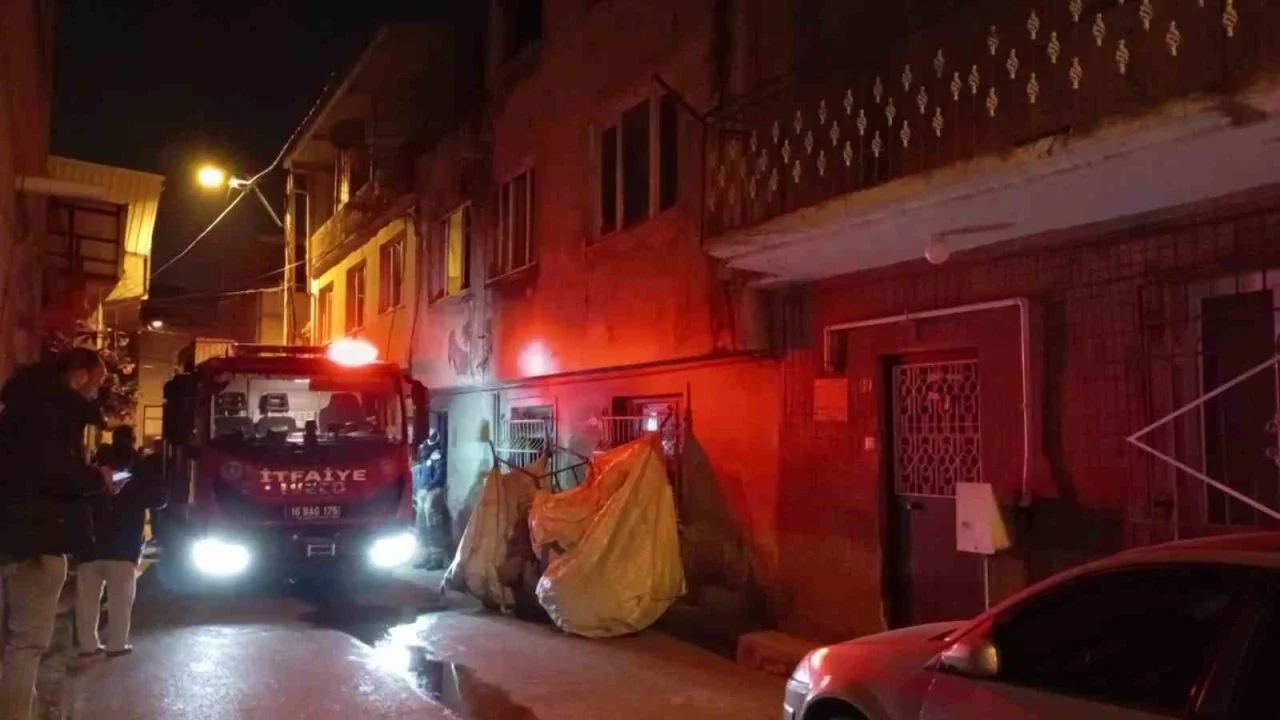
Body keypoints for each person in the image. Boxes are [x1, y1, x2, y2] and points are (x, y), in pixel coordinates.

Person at [0, 348, 111, 720]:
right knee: (27, 644)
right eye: (97, 381)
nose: (96, 391)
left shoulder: (18, 407)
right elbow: (57, 474)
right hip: (37, 540)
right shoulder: (56, 415)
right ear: (79, 373)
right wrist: (96, 477)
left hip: (10, 537)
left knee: (13, 642)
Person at [75, 425, 167, 659]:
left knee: (86, 601)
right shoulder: (132, 482)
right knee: (120, 600)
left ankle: (87, 644)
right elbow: (159, 499)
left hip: (89, 547)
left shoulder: (90, 480)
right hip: (122, 548)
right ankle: (117, 643)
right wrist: (146, 467)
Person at [413, 429, 451, 570]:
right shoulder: (425, 453)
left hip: (433, 492)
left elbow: (439, 476)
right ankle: (424, 555)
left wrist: (430, 486)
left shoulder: (437, 455)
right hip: (423, 491)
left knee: (434, 525)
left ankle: (437, 558)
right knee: (421, 525)